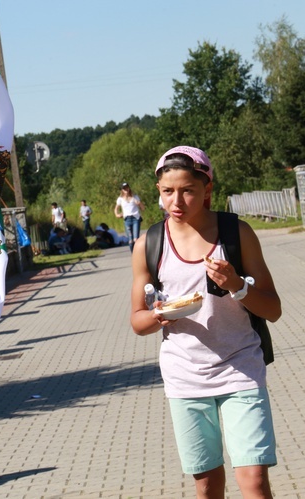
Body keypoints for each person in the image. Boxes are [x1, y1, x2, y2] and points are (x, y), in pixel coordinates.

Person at [130, 146, 281, 497]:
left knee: (255, 481)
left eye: (188, 190)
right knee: (207, 484)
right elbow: (137, 321)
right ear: (158, 193)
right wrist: (158, 315)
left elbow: (273, 310)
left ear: (207, 189)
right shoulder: (149, 244)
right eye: (168, 191)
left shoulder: (236, 233)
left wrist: (237, 286)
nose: (177, 200)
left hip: (240, 367)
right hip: (184, 376)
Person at [114, 182, 145, 253]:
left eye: (127, 187)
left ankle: (137, 254)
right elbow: (116, 208)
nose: (126, 189)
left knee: (136, 239)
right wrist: (117, 214)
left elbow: (143, 208)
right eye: (124, 188)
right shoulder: (120, 199)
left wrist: (139, 203)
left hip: (135, 219)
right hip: (127, 220)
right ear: (122, 190)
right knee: (130, 241)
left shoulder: (135, 197)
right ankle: (133, 254)